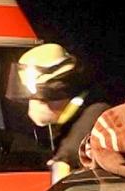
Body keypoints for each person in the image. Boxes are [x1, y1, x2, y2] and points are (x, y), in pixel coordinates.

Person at [12, 43, 110, 182]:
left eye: (38, 98)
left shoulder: (93, 117)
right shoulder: (69, 123)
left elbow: (63, 175)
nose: (33, 104)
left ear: (56, 91)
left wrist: (63, 162)